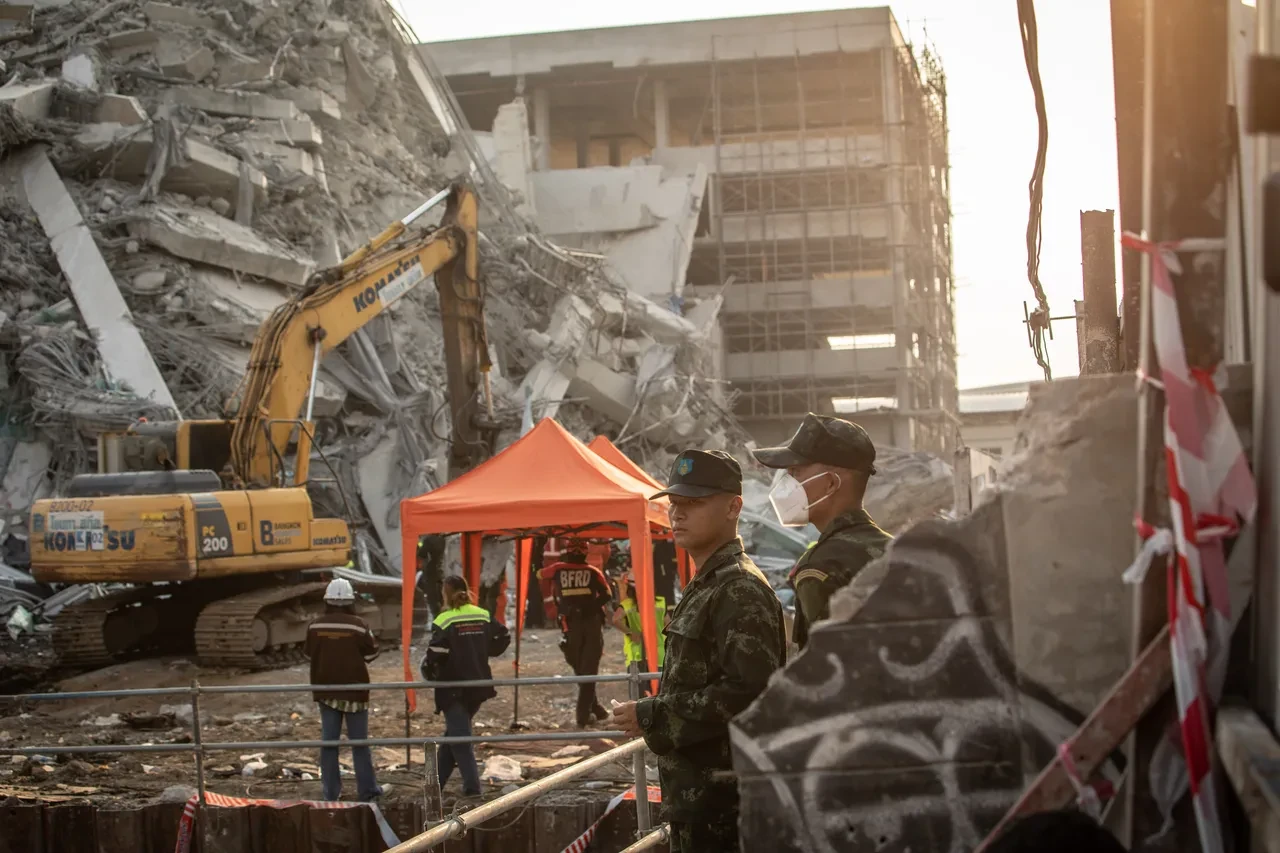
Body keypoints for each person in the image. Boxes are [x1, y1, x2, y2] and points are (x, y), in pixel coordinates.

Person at [611, 449, 787, 853]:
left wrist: (653, 714)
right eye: (674, 503)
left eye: (693, 503)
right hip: (700, 801)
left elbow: (748, 694)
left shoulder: (739, 588)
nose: (678, 514)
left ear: (733, 506)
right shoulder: (710, 583)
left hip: (725, 807)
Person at [751, 412, 893, 650]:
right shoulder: (895, 549)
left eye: (796, 472)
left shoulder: (822, 566)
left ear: (830, 483)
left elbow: (824, 668)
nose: (787, 482)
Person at [422, 575, 511, 797]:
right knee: (454, 735)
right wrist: (482, 651)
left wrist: (431, 669)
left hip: (452, 687)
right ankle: (435, 787)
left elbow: (436, 653)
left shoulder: (445, 619)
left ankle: (472, 789)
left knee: (459, 739)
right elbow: (504, 636)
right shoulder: (482, 614)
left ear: (446, 593)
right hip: (478, 685)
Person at [305, 577, 383, 802]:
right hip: (355, 692)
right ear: (351, 601)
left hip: (326, 692)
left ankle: (331, 792)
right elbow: (371, 653)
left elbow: (309, 654)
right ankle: (367, 791)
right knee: (360, 743)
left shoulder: (315, 625)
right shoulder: (358, 625)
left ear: (327, 601)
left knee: (329, 743)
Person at [542, 541, 614, 727]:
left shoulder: (557, 569)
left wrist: (554, 604)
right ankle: (585, 715)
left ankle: (593, 710)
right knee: (588, 669)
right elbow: (607, 594)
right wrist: (588, 607)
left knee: (581, 668)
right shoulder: (592, 572)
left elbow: (539, 574)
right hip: (589, 624)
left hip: (571, 625)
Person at [610, 563, 666, 697]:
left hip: (637, 655)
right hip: (658, 654)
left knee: (638, 696)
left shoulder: (627, 605)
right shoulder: (660, 602)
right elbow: (669, 625)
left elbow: (615, 619)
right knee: (659, 694)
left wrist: (630, 632)